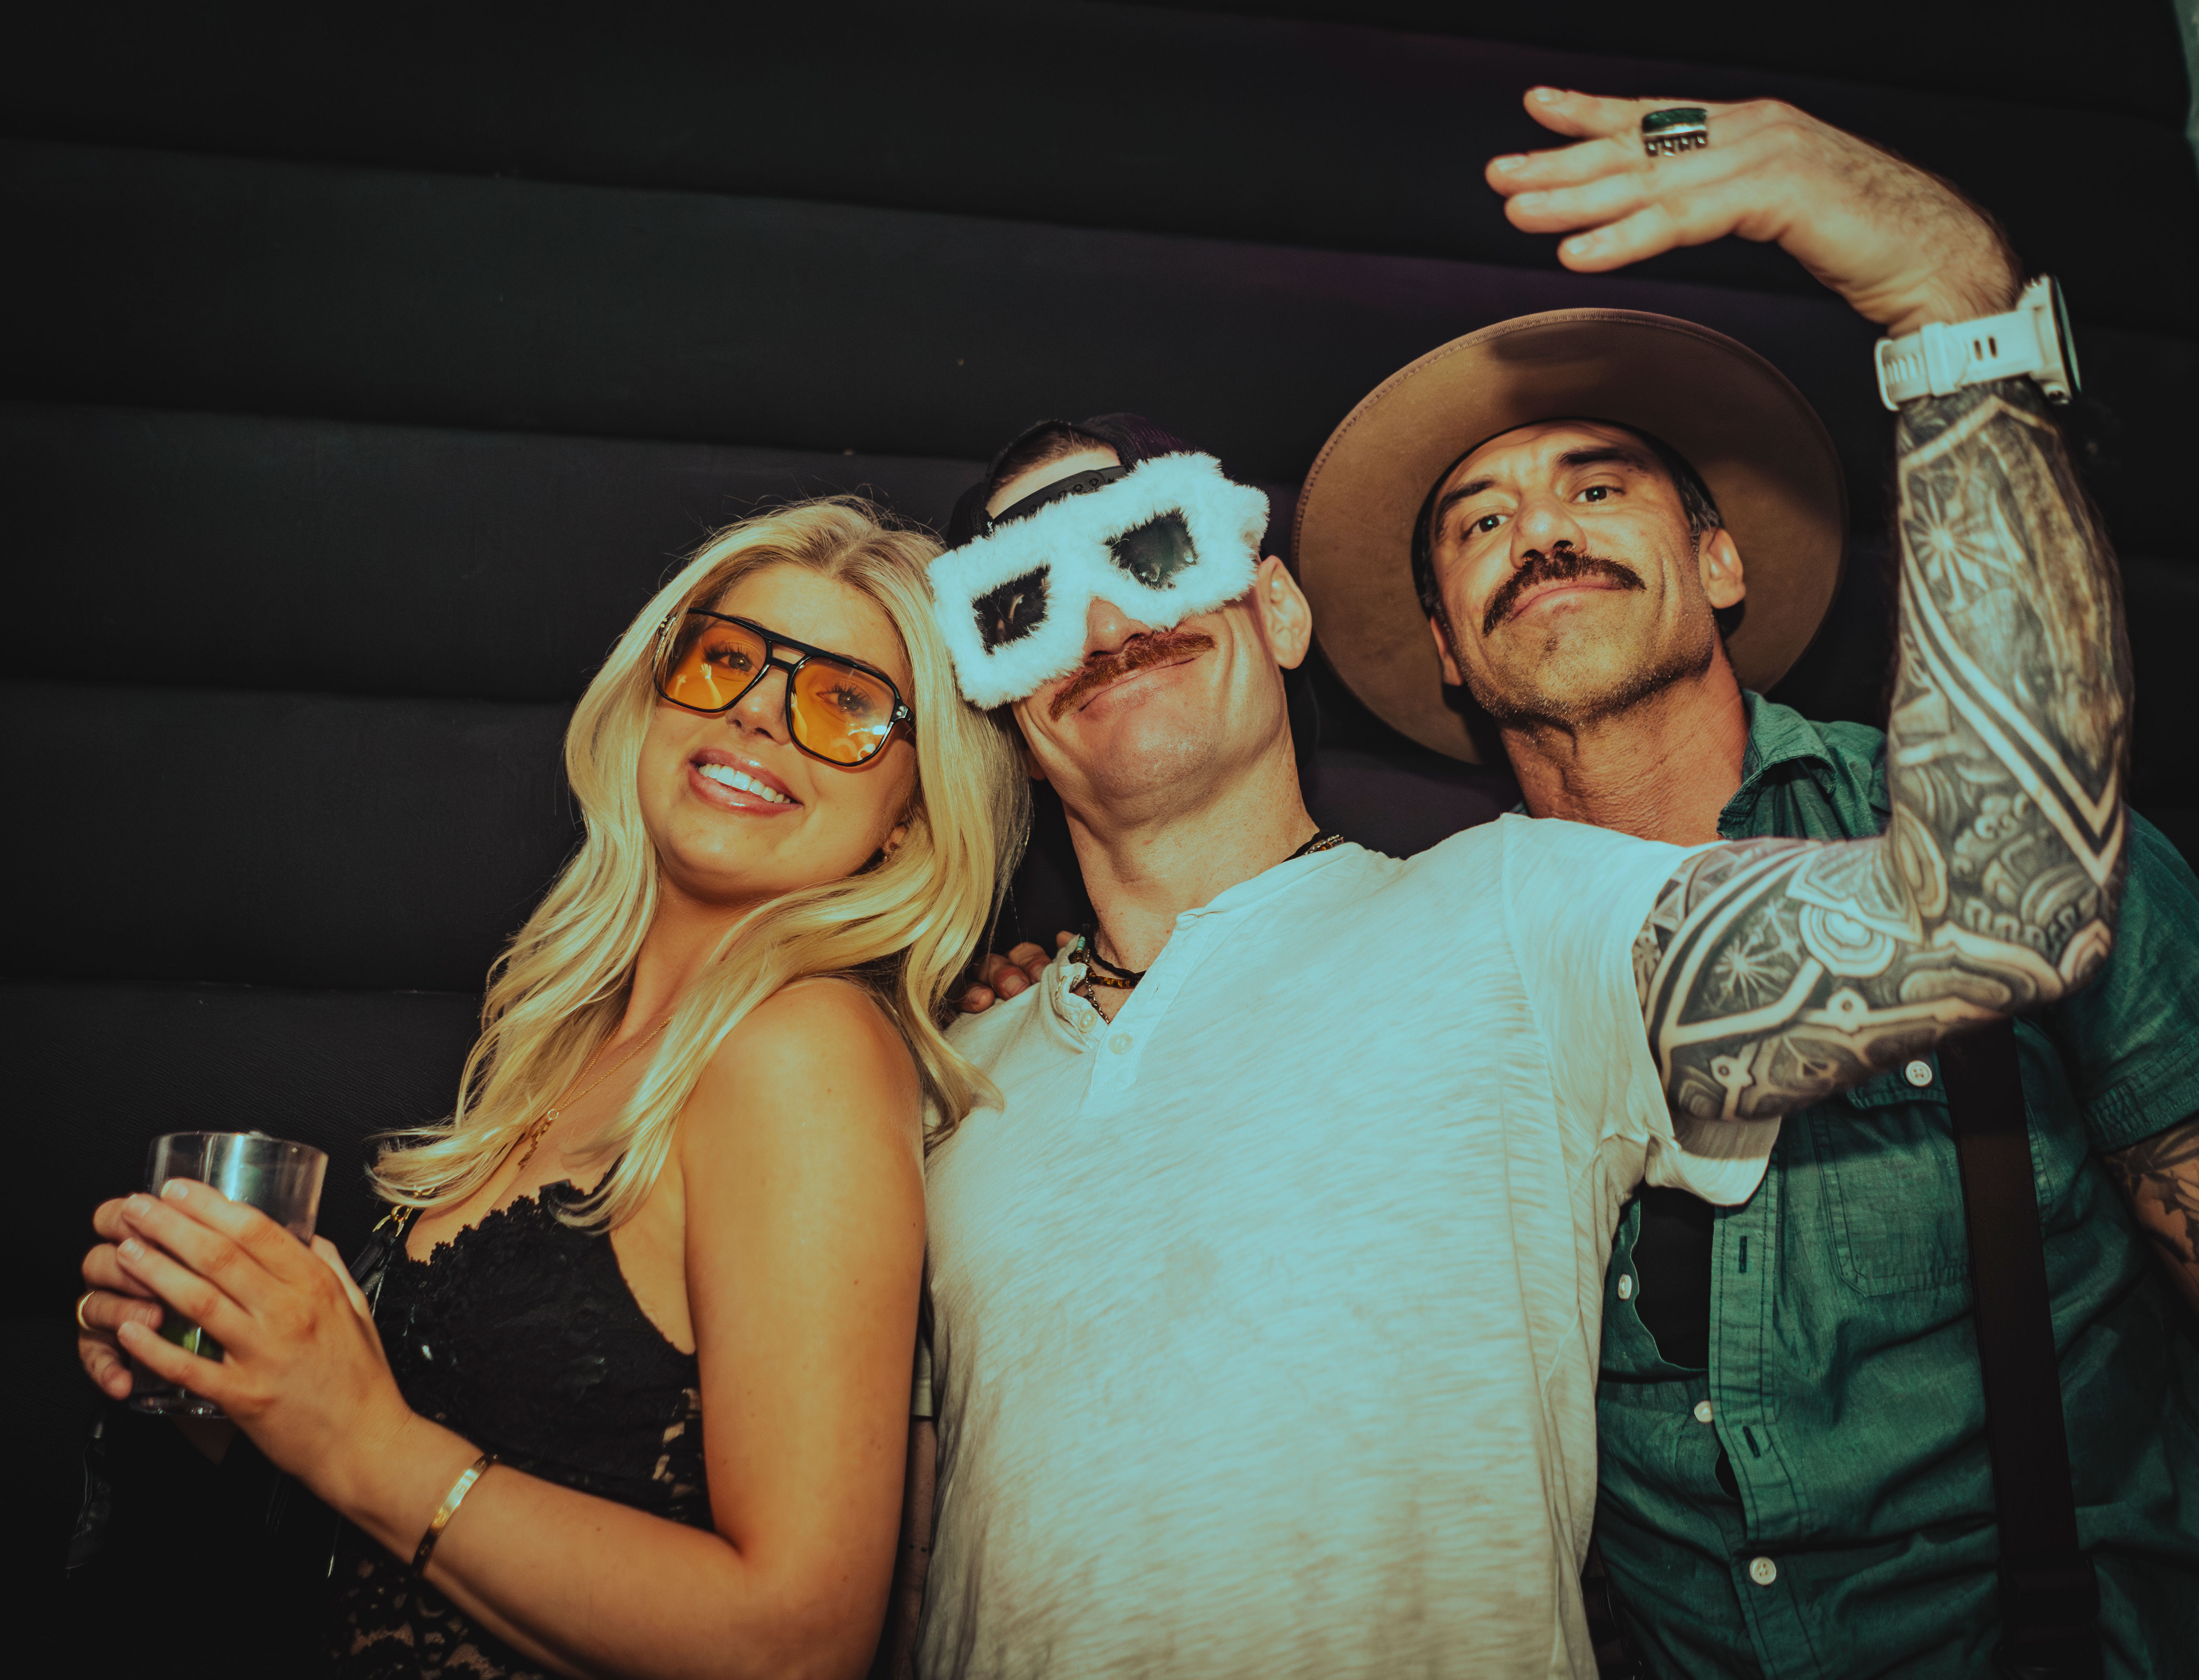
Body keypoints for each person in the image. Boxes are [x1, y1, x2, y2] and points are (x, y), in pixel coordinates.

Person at [908, 89, 2132, 1679]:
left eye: (1149, 554)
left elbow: (2002, 901)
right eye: (1019, 598)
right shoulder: (941, 1079)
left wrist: (1949, 303)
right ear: (991, 694)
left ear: (1273, 608)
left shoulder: (1510, 921)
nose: (1096, 621)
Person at [71, 498, 1030, 1680]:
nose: (760, 712)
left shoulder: (804, 1051)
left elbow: (797, 1640)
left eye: (844, 706)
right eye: (725, 660)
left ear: (909, 815)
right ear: (654, 699)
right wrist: (230, 1377)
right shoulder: (561, 1040)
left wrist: (359, 1439)